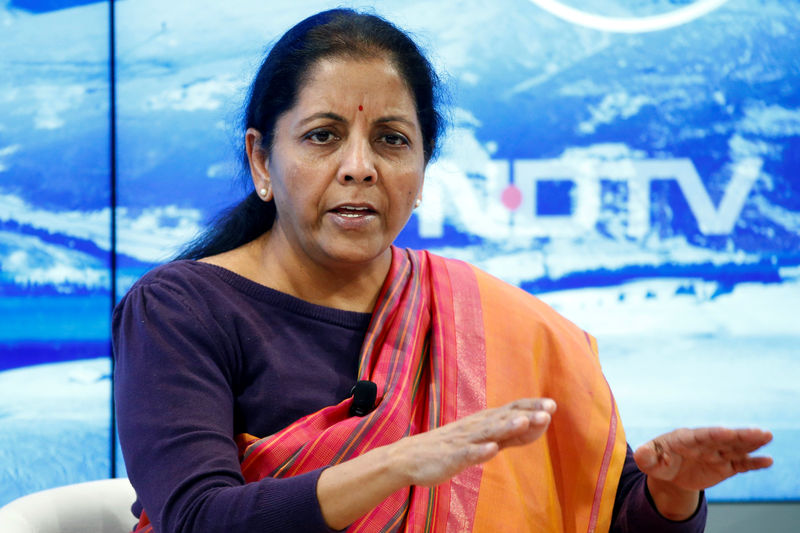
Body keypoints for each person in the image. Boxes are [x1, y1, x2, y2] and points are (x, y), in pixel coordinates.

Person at [112, 8, 773, 533]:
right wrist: (399, 462)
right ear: (261, 160)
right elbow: (198, 520)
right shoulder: (179, 309)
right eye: (322, 135)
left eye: (392, 140)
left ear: (423, 170)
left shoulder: (486, 324)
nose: (359, 166)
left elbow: (612, 523)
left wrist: (672, 490)